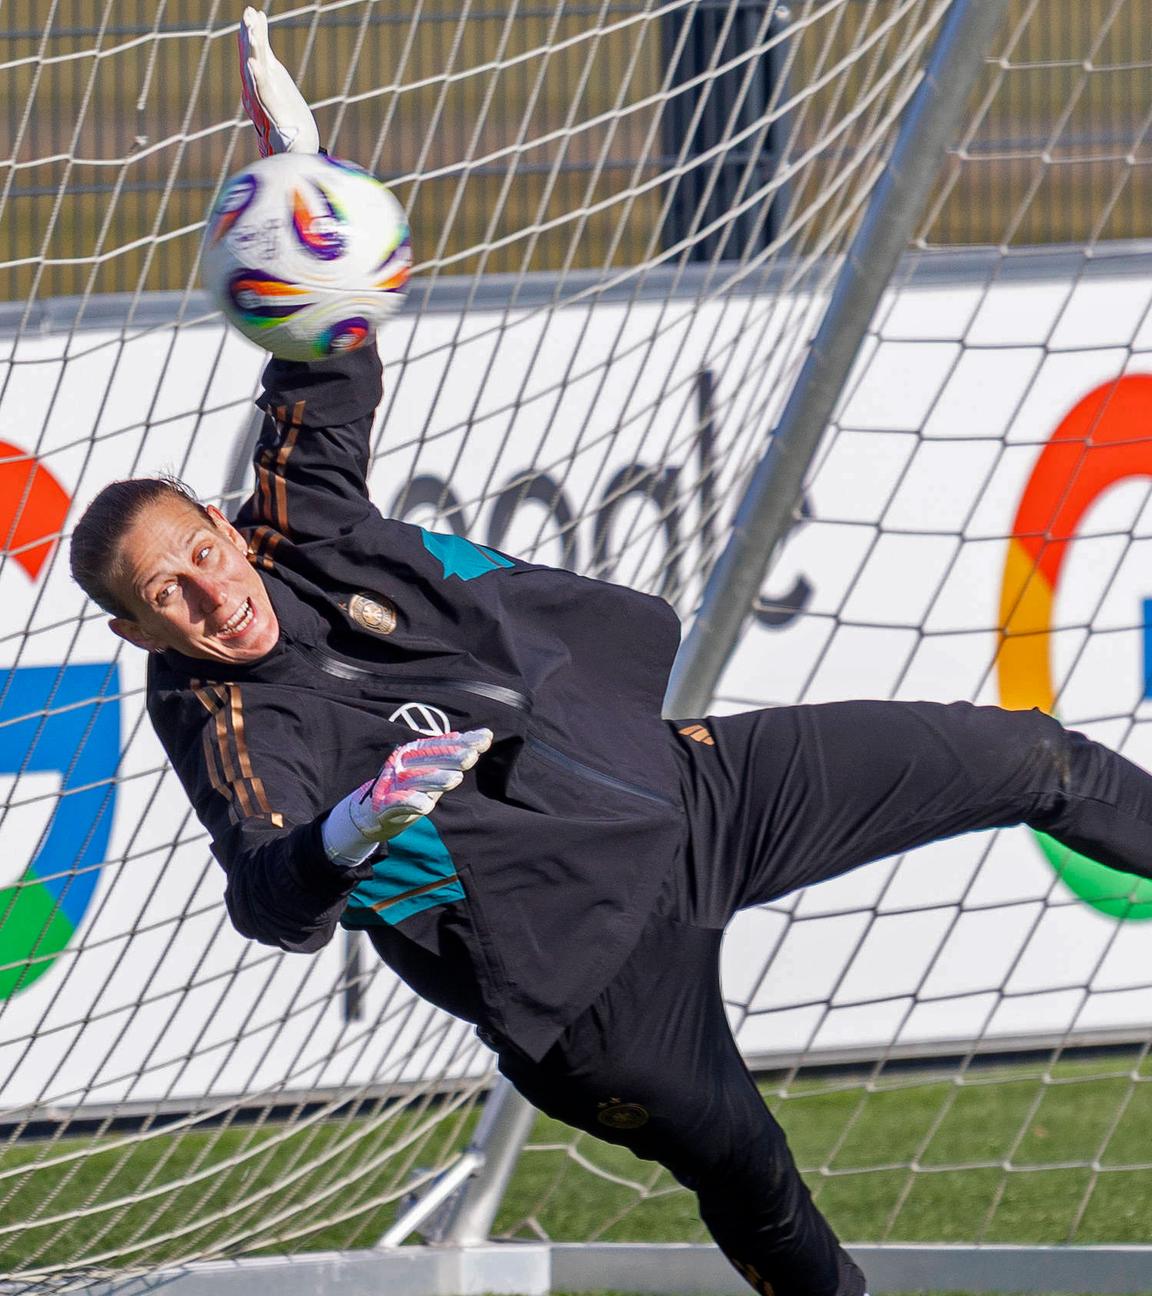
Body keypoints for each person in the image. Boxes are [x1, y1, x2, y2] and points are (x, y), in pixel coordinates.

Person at [67, 13, 1152, 1296]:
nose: (207, 595)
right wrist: (343, 836)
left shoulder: (300, 525)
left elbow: (324, 359)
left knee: (1029, 757)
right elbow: (268, 892)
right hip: (587, 992)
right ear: (135, 628)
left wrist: (305, 172)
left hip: (694, 795)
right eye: (164, 597)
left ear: (224, 525)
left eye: (201, 552)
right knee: (755, 1178)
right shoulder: (224, 721)